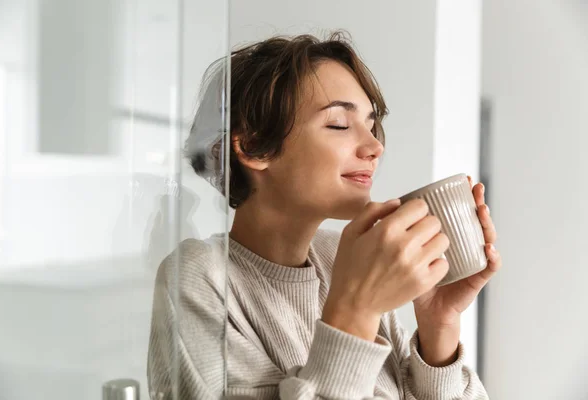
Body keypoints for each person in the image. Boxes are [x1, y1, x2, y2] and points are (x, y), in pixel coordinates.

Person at [147, 31, 501, 400]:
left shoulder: (342, 258)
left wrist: (438, 324)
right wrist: (355, 310)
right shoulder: (198, 277)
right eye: (339, 124)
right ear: (253, 146)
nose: (375, 146)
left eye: (371, 123)